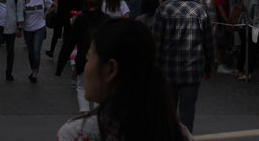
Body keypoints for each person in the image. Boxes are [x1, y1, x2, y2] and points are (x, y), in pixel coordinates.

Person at [57, 19, 191, 141]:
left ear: (111, 69)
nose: (86, 67)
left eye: (88, 59)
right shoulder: (176, 132)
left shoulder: (76, 134)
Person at [153, 0, 214, 132]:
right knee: (187, 111)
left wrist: (154, 67)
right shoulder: (200, 11)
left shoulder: (163, 10)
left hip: (168, 68)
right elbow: (208, 41)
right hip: (192, 68)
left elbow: (156, 42)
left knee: (168, 110)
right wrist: (209, 66)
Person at [56, 0, 110, 112]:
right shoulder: (106, 19)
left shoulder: (81, 19)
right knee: (99, 88)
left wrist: (60, 65)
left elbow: (70, 42)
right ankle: (97, 116)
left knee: (82, 87)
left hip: (83, 58)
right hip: (102, 59)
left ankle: (84, 113)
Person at [22, 0, 52, 82]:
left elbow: (54, 5)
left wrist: (46, 14)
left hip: (40, 27)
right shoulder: (26, 1)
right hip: (28, 28)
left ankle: (35, 72)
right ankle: (33, 68)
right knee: (31, 52)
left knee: (36, 49)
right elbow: (23, 14)